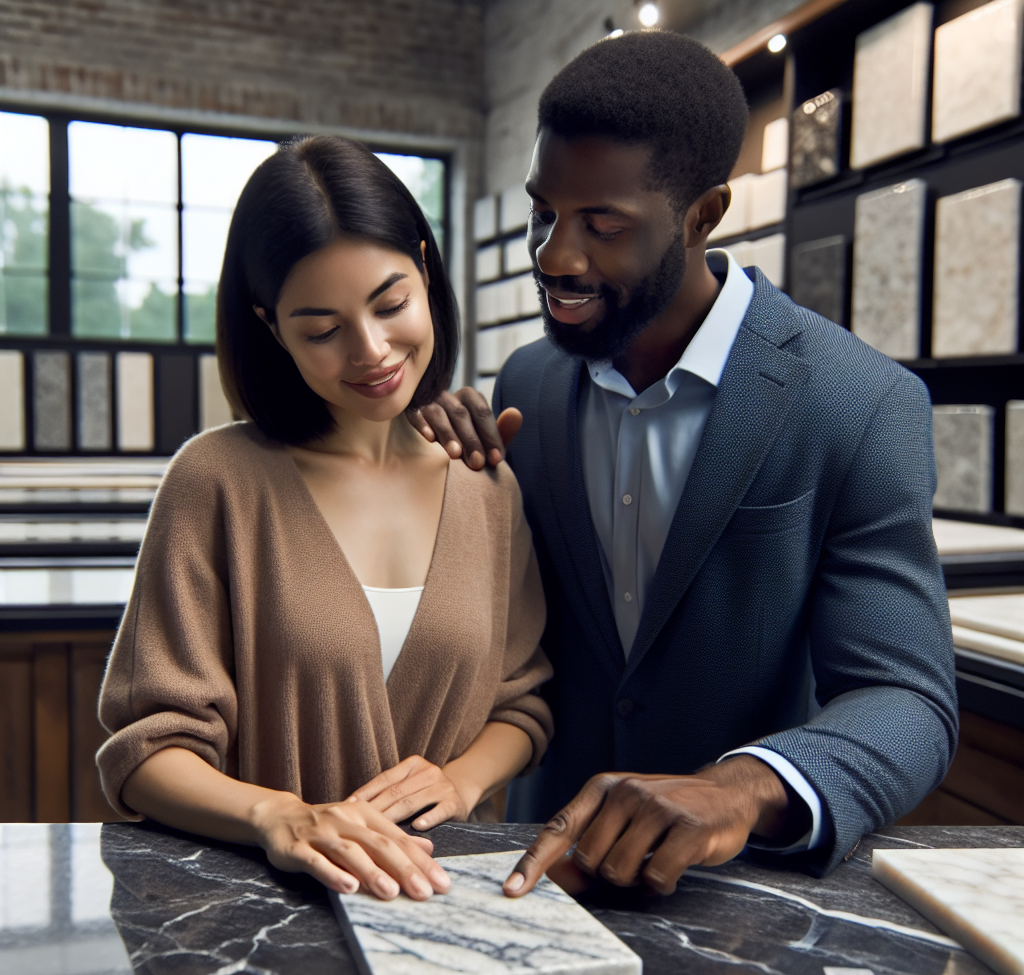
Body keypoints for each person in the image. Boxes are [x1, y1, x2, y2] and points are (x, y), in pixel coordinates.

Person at [408, 31, 958, 896]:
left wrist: (738, 788)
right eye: (543, 210)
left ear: (703, 215)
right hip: (541, 874)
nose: (554, 256)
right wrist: (424, 455)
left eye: (603, 224)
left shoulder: (861, 402)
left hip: (745, 892)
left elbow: (908, 699)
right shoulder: (528, 383)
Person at [96, 135, 553, 902]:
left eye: (391, 303)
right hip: (262, 914)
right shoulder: (216, 482)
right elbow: (144, 753)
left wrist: (462, 779)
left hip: (454, 907)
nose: (371, 351)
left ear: (425, 269)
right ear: (270, 326)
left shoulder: (486, 486)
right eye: (321, 329)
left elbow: (523, 699)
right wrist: (280, 818)